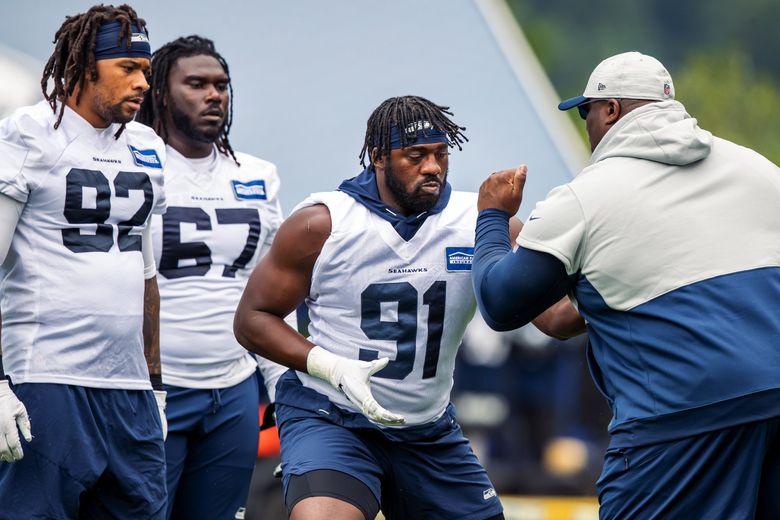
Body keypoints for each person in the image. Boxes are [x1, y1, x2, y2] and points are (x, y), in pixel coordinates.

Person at [472, 51, 780, 518]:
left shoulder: (586, 195)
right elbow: (565, 319)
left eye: (585, 111)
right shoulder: (759, 169)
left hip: (680, 417)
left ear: (611, 110)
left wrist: (492, 219)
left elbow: (499, 304)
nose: (586, 125)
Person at [234, 95, 510, 520]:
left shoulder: (477, 219)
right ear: (379, 157)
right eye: (415, 156)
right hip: (332, 415)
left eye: (440, 154)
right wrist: (333, 368)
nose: (432, 167)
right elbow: (252, 320)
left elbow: (552, 314)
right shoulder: (323, 223)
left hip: (427, 427)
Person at [0, 4, 169, 518]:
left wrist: (155, 385)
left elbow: (145, 273)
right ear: (84, 67)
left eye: (147, 70)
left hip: (128, 387)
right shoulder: (27, 133)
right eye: (129, 69)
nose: (144, 83)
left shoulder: (146, 145)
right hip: (45, 378)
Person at [136, 35, 287, 520]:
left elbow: (273, 292)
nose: (213, 95)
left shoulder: (259, 176)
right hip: (152, 385)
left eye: (221, 85)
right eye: (196, 84)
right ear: (161, 92)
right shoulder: (135, 164)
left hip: (234, 387)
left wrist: (281, 381)